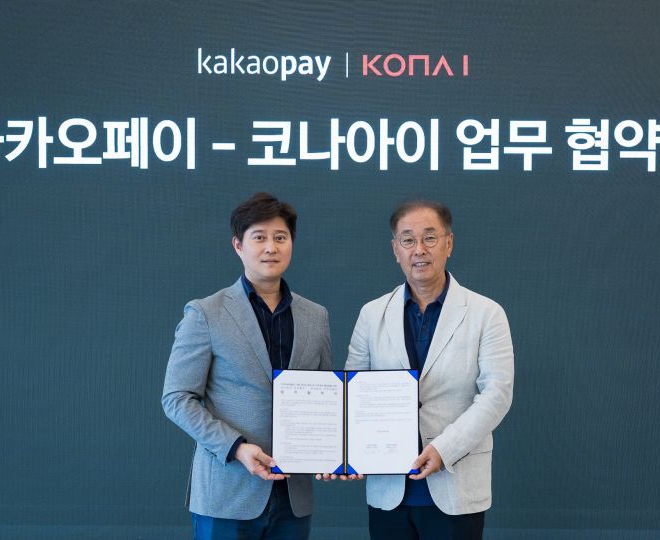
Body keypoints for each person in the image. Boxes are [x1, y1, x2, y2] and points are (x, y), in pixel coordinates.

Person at [162, 192, 332, 540]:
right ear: (238, 245)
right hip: (226, 494)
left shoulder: (316, 316)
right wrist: (237, 447)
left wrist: (337, 453)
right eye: (259, 237)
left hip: (293, 497)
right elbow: (177, 398)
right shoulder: (206, 313)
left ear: (291, 244)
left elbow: (327, 397)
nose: (271, 247)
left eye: (280, 237)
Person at [344, 200, 514, 540]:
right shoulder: (372, 314)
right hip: (388, 492)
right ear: (396, 250)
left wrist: (443, 449)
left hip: (456, 487)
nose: (419, 249)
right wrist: (345, 451)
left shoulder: (487, 314)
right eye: (408, 240)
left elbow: (496, 395)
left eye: (430, 238)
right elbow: (353, 394)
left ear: (448, 244)